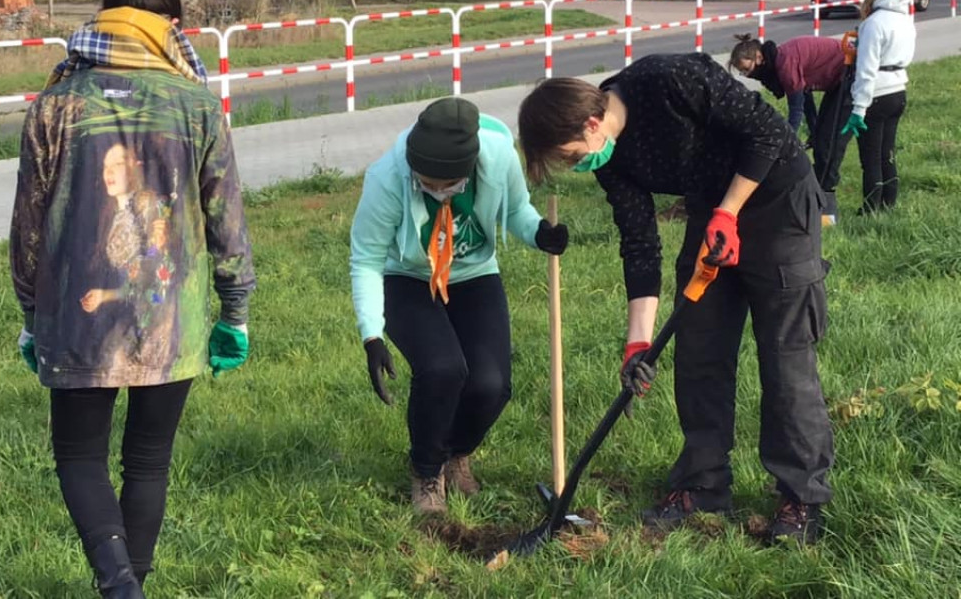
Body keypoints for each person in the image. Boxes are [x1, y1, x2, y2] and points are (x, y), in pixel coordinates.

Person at [10, 0, 256, 598]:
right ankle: (130, 586)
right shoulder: (198, 104)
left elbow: (28, 226)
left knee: (79, 457)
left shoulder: (55, 103)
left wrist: (31, 311)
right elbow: (225, 217)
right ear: (169, 27)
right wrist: (235, 311)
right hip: (170, 320)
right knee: (148, 460)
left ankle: (120, 586)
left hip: (74, 318)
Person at [517, 54, 834, 545]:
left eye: (576, 155)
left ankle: (800, 497)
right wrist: (635, 346)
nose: (582, 166)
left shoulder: (667, 81)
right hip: (712, 210)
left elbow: (768, 132)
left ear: (592, 121)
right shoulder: (611, 161)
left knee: (785, 356)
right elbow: (640, 245)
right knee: (699, 349)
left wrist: (729, 213)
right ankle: (702, 484)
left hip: (776, 198)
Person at [350, 97, 568, 515]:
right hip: (408, 277)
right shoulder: (386, 178)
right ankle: (426, 471)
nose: (433, 190)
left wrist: (538, 233)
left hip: (473, 274)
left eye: (441, 184)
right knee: (442, 369)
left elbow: (517, 210)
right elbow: (366, 259)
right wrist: (371, 334)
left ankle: (457, 452)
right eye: (424, 183)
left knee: (491, 385)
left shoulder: (498, 157)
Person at [729, 34, 852, 224]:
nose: (748, 75)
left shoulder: (785, 64)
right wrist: (814, 130)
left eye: (747, 69)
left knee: (828, 145)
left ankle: (826, 209)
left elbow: (797, 106)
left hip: (848, 71)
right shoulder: (779, 57)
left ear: (759, 58)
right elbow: (806, 96)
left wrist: (788, 140)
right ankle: (816, 202)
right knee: (821, 140)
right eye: (743, 73)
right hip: (837, 79)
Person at [839, 0, 916, 214]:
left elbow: (867, 70)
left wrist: (859, 108)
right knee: (888, 151)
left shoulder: (874, 23)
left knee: (870, 156)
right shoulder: (904, 17)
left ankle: (870, 208)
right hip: (898, 90)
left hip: (877, 93)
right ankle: (888, 203)